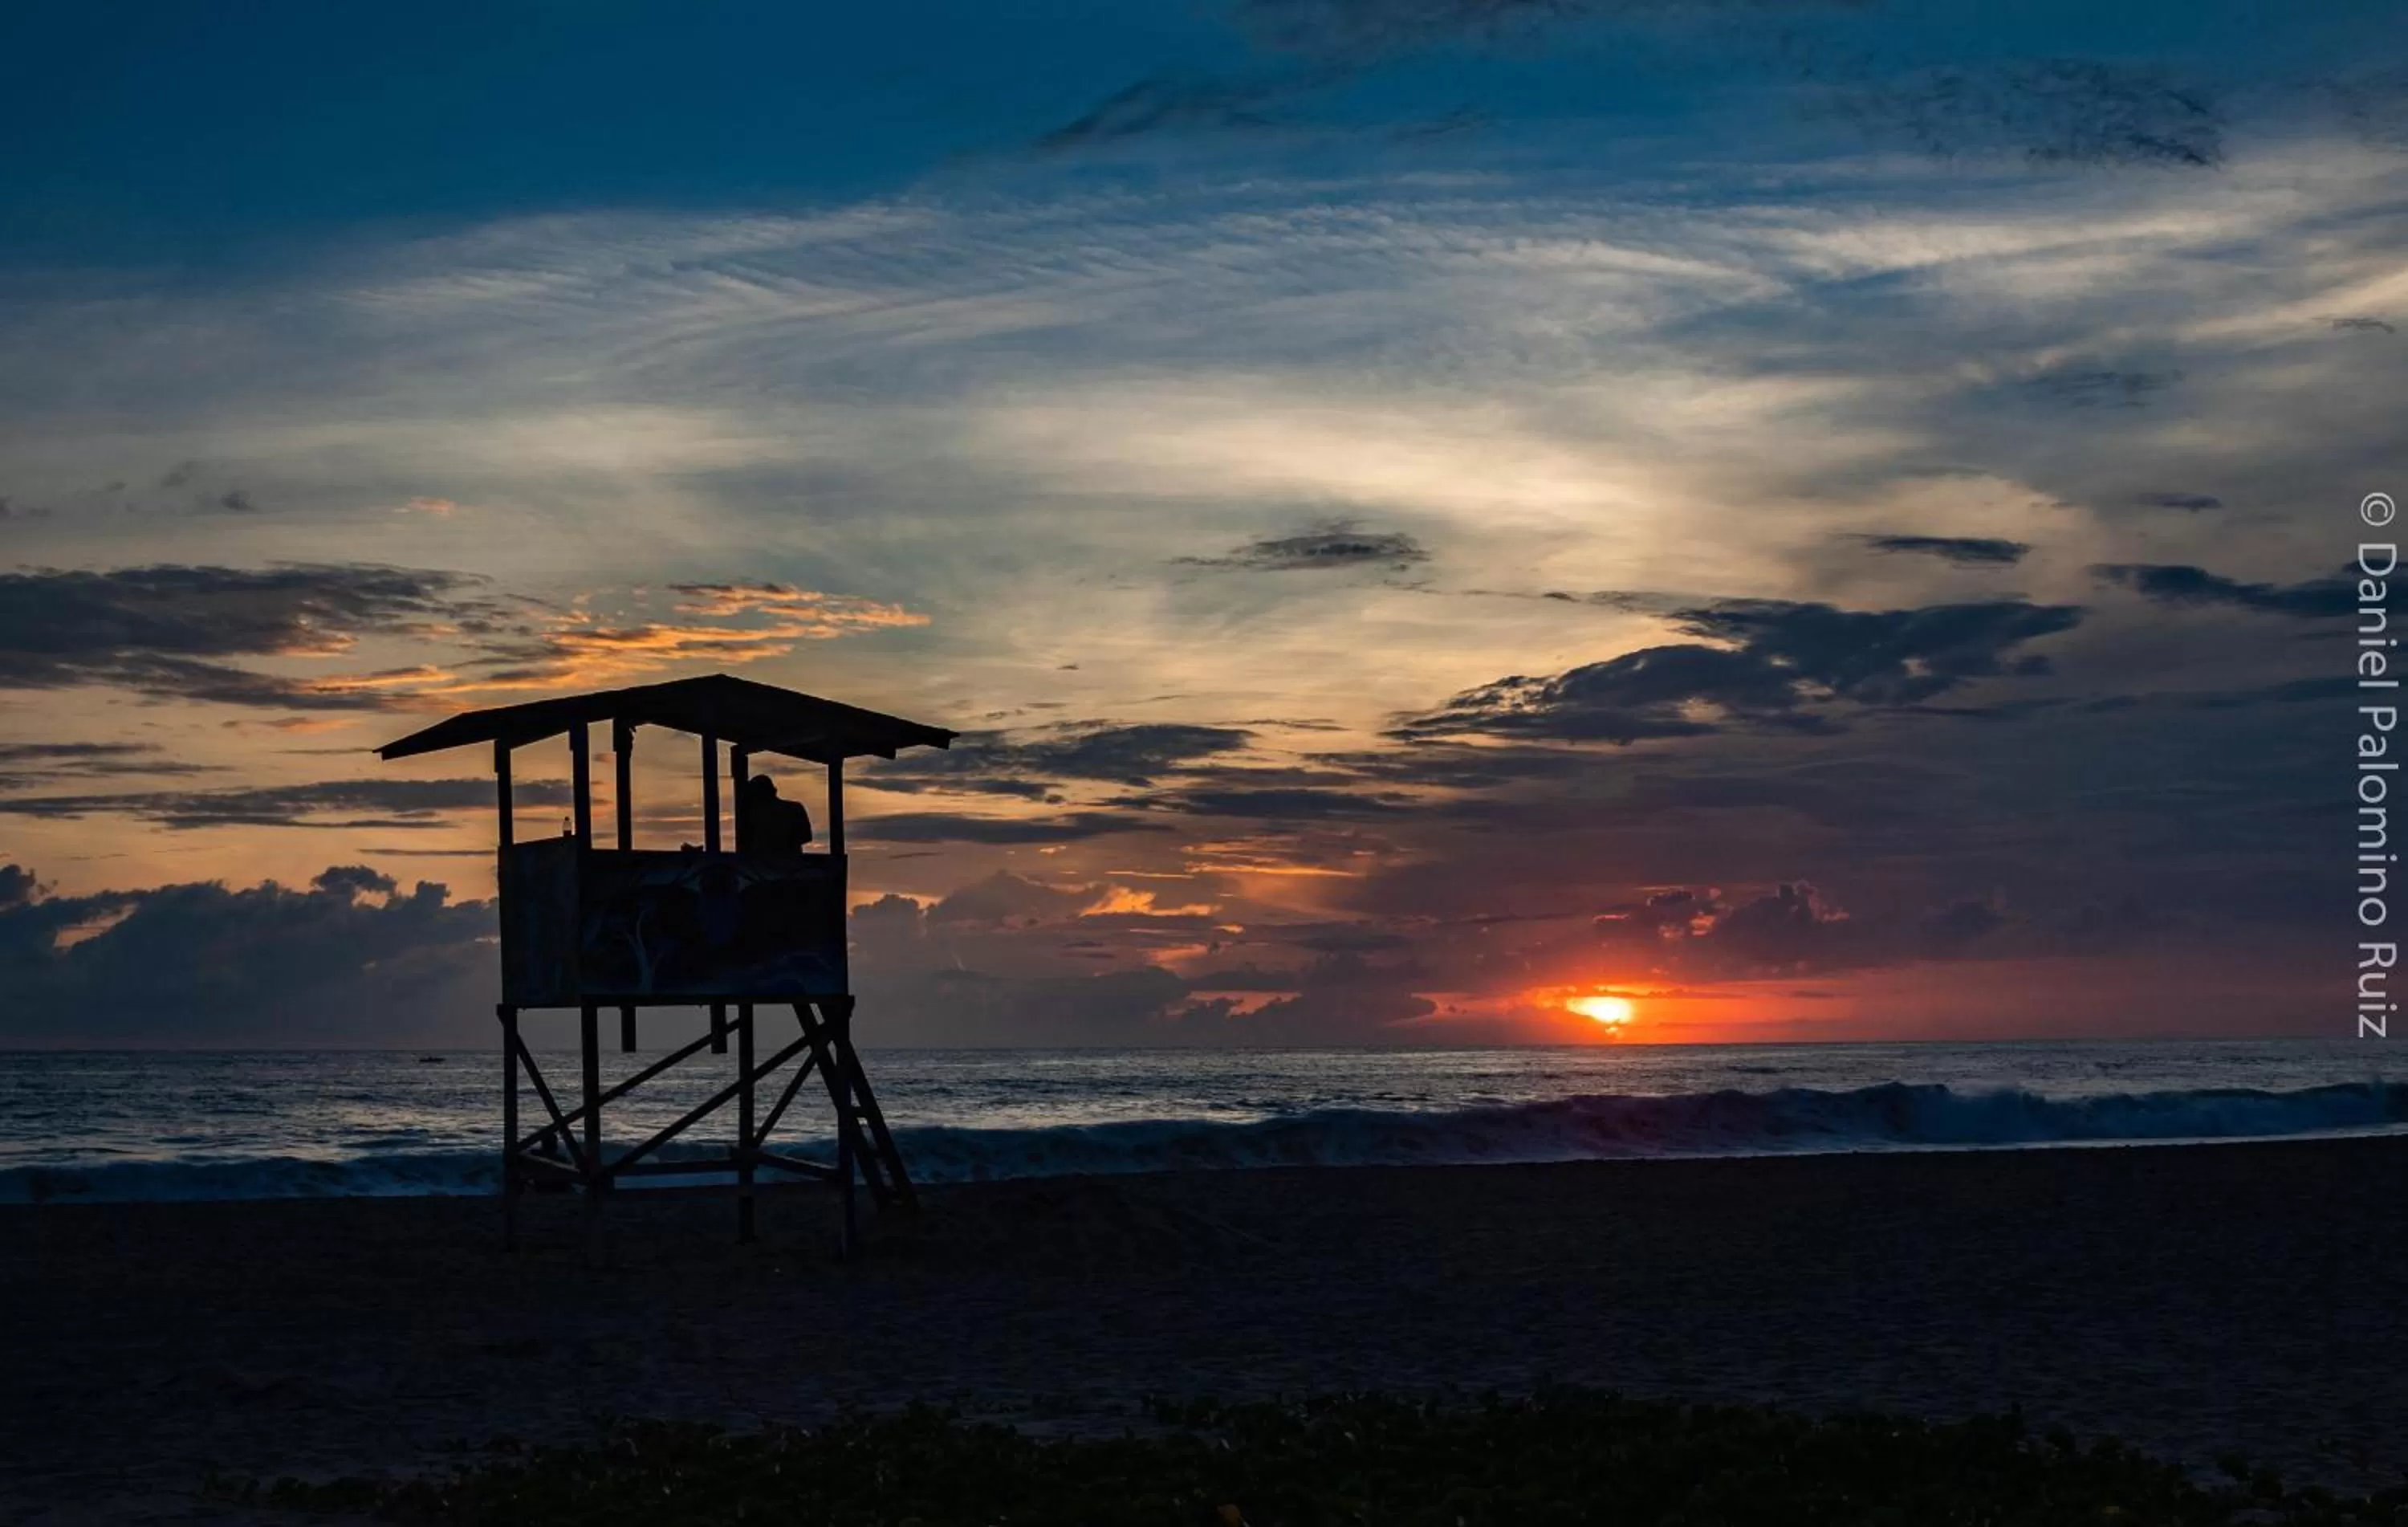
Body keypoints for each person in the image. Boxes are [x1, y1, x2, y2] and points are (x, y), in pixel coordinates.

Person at [738, 772, 814, 854]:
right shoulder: (794, 808)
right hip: (789, 862)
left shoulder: (753, 814)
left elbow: (806, 836)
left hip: (769, 862)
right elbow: (806, 836)